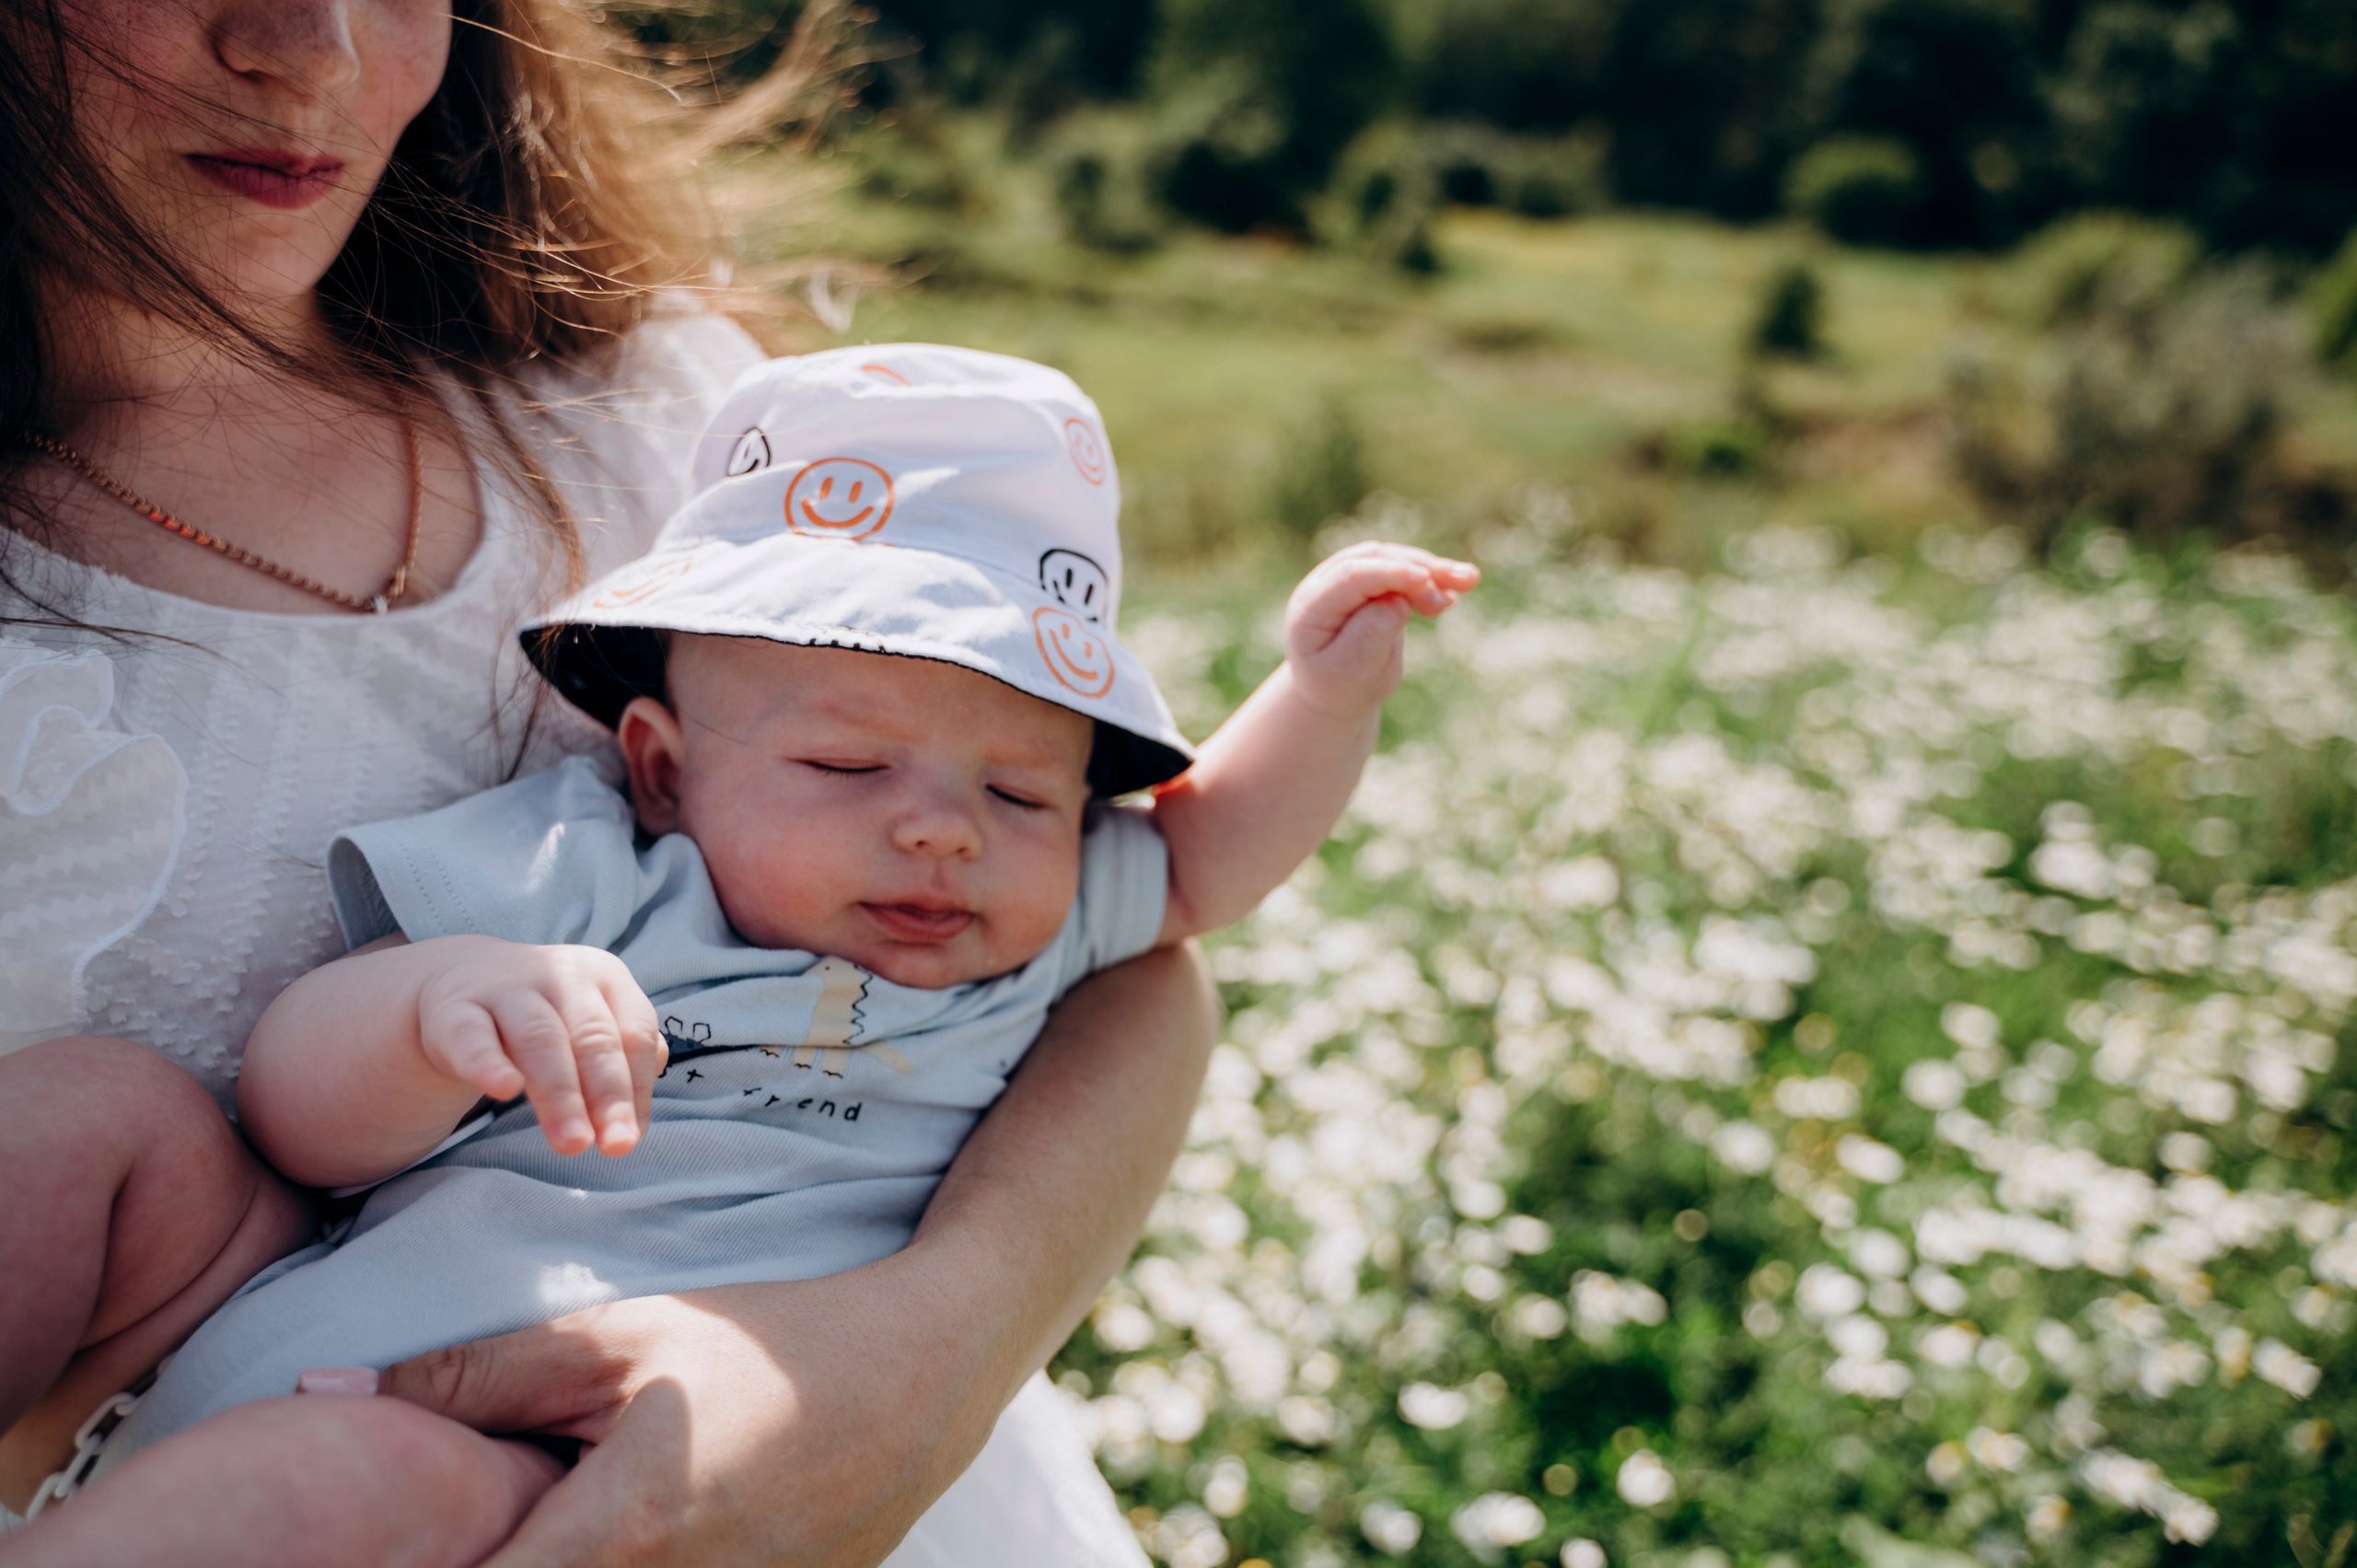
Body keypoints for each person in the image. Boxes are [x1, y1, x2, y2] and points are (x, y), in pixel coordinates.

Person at [0, 0, 1225, 1562]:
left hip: (692, 1428)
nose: (310, 48)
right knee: (74, 1123)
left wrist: (923, 1356)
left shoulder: (658, 436)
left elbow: (1141, 966)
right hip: (214, 1374)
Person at [0, 345, 1477, 1566]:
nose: (944, 837)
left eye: (1021, 794)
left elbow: (1213, 855)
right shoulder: (591, 876)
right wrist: (440, 1010)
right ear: (659, 770)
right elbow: (296, 1126)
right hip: (304, 1309)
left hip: (575, 1464)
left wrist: (1322, 700)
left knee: (318, 1491)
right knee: (78, 1120)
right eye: (847, 769)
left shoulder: (1029, 942)